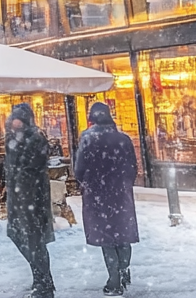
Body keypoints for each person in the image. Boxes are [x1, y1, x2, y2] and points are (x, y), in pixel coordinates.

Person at [74, 102, 138, 295]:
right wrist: (124, 182)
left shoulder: (87, 139)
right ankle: (123, 269)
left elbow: (79, 169)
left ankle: (114, 279)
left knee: (107, 237)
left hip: (97, 194)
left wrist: (87, 183)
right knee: (123, 234)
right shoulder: (123, 139)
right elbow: (133, 167)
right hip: (120, 193)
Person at [5, 103, 56, 298]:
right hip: (18, 198)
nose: (14, 122)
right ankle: (40, 278)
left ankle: (44, 282)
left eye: (18, 118)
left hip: (32, 198)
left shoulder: (35, 138)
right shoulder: (13, 139)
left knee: (34, 241)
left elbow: (33, 167)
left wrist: (23, 185)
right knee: (18, 236)